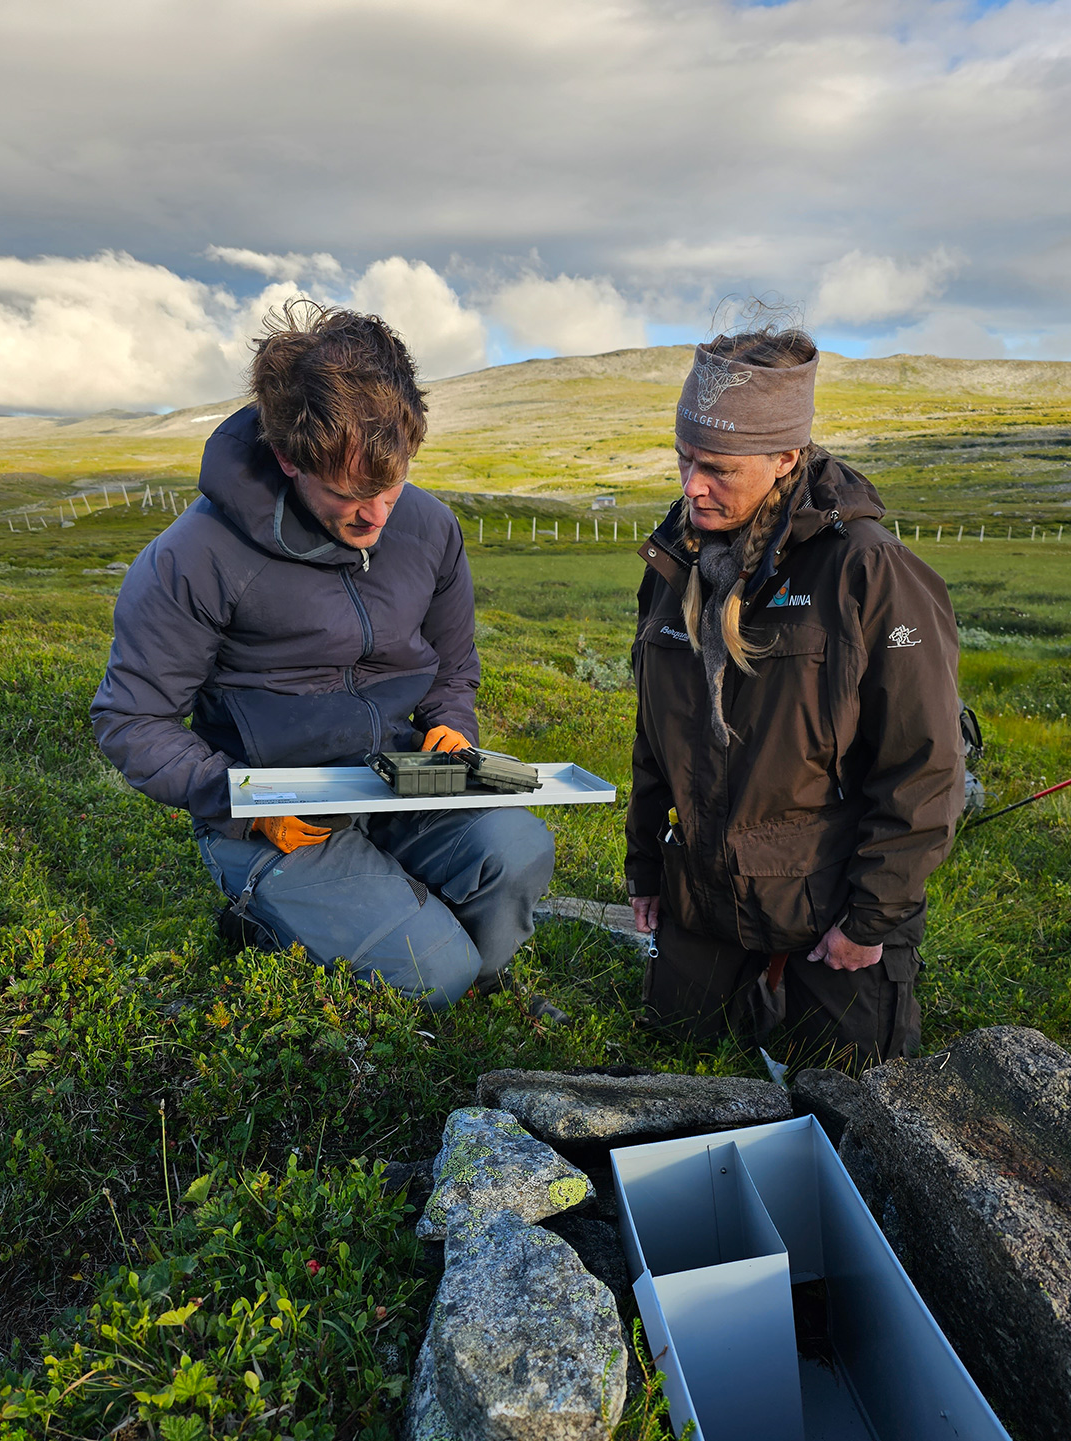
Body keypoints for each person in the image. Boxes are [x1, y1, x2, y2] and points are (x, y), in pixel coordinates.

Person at [92, 301, 555, 1011]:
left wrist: (451, 723)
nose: (375, 517)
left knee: (519, 850)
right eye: (348, 494)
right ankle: (270, 921)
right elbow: (133, 723)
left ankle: (462, 982)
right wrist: (245, 805)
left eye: (390, 486)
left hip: (401, 784)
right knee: (432, 971)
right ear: (287, 458)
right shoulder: (194, 557)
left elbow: (453, 668)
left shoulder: (430, 528)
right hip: (274, 809)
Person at [626, 319, 965, 1070]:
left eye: (717, 467)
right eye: (683, 458)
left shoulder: (870, 574)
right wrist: (647, 865)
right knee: (672, 1073)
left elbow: (925, 765)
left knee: (845, 1109)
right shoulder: (672, 562)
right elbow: (656, 734)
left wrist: (871, 920)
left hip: (830, 916)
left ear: (785, 457)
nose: (692, 487)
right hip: (702, 898)